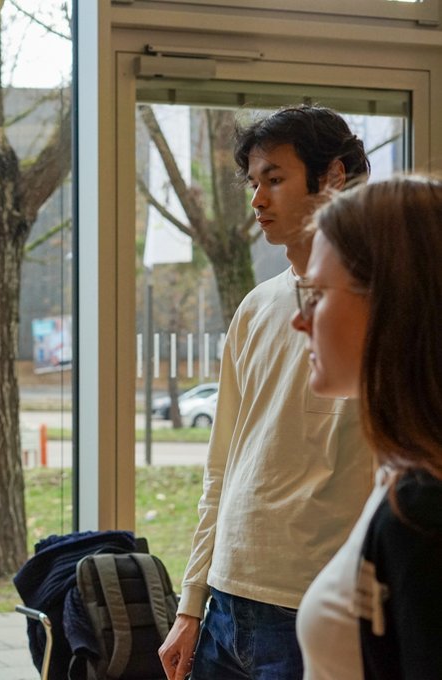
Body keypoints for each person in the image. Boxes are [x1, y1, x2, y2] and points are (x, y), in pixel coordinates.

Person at [158, 105, 375, 680]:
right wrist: (191, 603)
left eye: (274, 179)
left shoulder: (388, 306)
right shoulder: (256, 308)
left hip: (317, 605)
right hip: (227, 602)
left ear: (332, 177)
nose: (257, 200)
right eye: (254, 183)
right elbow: (222, 464)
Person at [292, 176, 442, 679]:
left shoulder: (424, 509)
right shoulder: (406, 474)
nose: (300, 320)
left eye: (316, 294)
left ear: (392, 304)